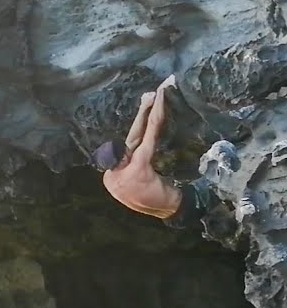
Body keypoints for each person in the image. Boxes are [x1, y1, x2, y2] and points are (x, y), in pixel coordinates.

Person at [91, 75, 214, 230]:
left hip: (172, 219)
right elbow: (154, 124)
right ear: (122, 159)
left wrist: (144, 106)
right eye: (125, 151)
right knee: (219, 162)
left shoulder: (108, 177)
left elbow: (132, 140)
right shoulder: (138, 164)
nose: (127, 147)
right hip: (192, 202)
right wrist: (161, 91)